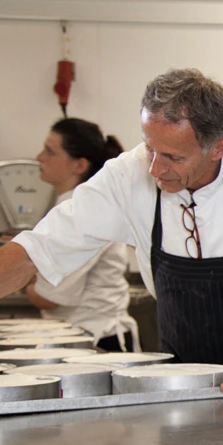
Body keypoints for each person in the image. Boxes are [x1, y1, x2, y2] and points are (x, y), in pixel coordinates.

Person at [0, 68, 223, 415]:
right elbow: (36, 249)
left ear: (219, 148)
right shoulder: (125, 176)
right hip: (175, 393)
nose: (154, 170)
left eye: (174, 158)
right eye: (150, 149)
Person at [26, 118, 139, 352]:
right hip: (78, 336)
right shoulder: (68, 206)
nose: (39, 157)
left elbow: (48, 297)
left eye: (50, 151)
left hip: (99, 340)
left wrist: (25, 274)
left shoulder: (87, 211)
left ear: (79, 165)